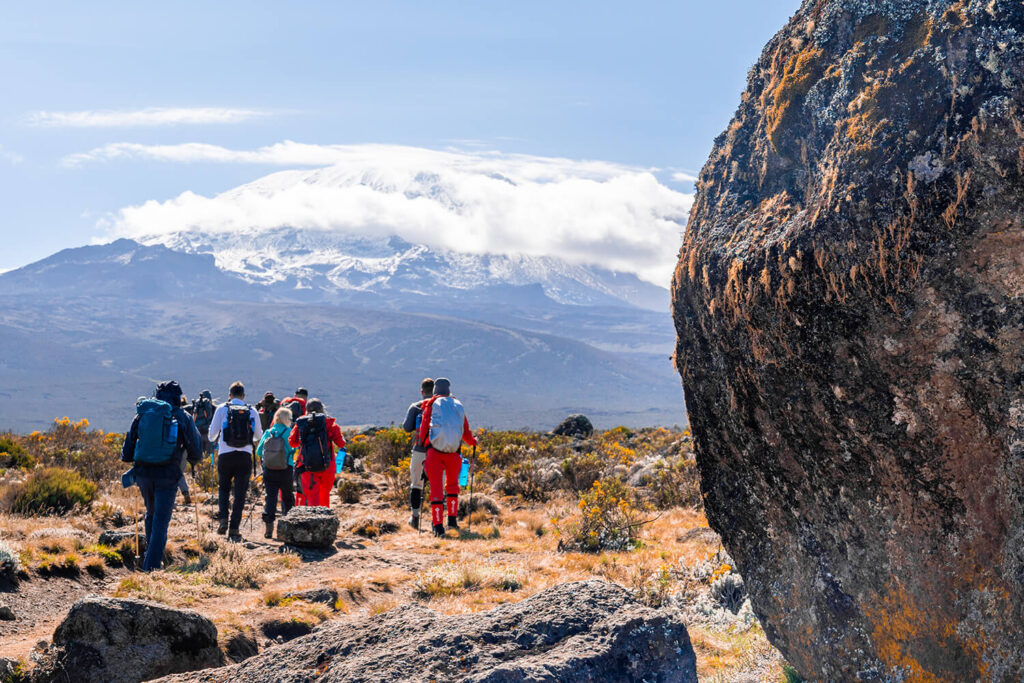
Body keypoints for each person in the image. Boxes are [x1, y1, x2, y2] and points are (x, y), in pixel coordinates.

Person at [120, 380, 202, 570]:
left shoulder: (143, 413)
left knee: (151, 514)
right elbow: (196, 450)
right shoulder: (183, 416)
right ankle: (152, 567)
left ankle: (150, 559)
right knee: (161, 520)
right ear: (179, 397)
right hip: (169, 474)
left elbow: (127, 450)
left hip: (143, 473)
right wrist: (193, 460)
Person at [417, 378, 477, 537]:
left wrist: (423, 443)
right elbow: (465, 430)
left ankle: (438, 526)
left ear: (435, 390)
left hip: (434, 453)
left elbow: (424, 426)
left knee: (436, 488)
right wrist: (473, 442)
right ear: (449, 390)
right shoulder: (457, 405)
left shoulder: (431, 404)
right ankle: (452, 520)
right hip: (454, 453)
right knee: (452, 486)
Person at [207, 381, 263, 542]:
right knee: (240, 493)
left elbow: (212, 435)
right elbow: (258, 436)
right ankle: (234, 528)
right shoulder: (252, 410)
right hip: (245, 455)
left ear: (229, 396)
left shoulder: (222, 409)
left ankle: (223, 519)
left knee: (223, 488)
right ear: (243, 396)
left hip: (225, 454)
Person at [289, 398, 345, 508]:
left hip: (307, 466)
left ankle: (313, 521)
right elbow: (341, 444)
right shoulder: (330, 424)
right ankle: (324, 522)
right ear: (322, 409)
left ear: (306, 410)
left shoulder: (301, 423)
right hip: (327, 466)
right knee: (324, 496)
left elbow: (292, 443)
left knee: (311, 497)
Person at [256, 407, 297, 539]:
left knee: (271, 498)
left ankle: (269, 529)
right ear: (286, 419)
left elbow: (258, 451)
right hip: (286, 469)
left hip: (269, 469)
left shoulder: (269, 432)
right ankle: (289, 527)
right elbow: (294, 448)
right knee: (287, 497)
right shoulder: (289, 432)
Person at [402, 378, 434, 530]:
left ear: (422, 391)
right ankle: (437, 520)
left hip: (420, 450)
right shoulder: (442, 407)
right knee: (437, 487)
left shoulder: (415, 407)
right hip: (439, 452)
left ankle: (415, 517)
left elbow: (406, 427)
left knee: (416, 484)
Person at [191, 390, 217, 460]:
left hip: (198, 434)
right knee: (209, 456)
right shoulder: (214, 408)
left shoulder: (197, 407)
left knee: (200, 455)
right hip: (209, 434)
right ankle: (209, 469)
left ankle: (199, 468)